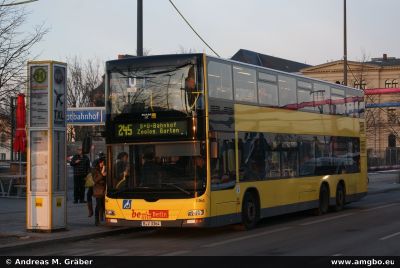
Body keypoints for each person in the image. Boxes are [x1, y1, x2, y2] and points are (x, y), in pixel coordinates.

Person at [93, 157, 106, 226]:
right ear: (99, 163)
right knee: (98, 205)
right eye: (102, 163)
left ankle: (103, 218)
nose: (103, 164)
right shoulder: (95, 170)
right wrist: (102, 174)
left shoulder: (104, 168)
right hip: (98, 190)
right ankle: (96, 220)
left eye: (103, 163)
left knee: (104, 205)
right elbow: (95, 180)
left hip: (104, 190)